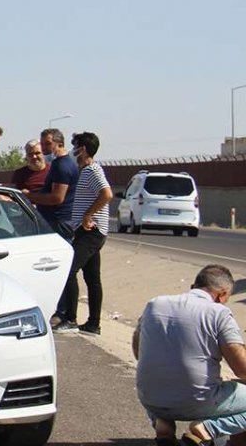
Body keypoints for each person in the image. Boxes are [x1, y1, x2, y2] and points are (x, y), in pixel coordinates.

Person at [134, 265, 246, 446]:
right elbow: (242, 370)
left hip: (150, 399)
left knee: (160, 377)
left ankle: (163, 426)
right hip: (195, 400)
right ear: (221, 294)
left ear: (194, 286)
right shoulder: (218, 312)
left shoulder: (154, 304)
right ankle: (203, 430)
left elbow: (138, 352)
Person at [53, 131, 113, 335]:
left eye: (75, 145)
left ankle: (70, 318)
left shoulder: (92, 170)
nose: (72, 149)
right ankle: (93, 324)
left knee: (68, 270)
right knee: (92, 277)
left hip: (92, 231)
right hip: (86, 231)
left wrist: (88, 215)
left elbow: (107, 194)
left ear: (83, 149)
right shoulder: (87, 170)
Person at [25, 128, 79, 240]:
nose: (44, 148)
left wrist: (29, 196)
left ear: (59, 144)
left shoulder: (62, 166)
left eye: (48, 144)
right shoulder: (58, 163)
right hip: (55, 221)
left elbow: (57, 197)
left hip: (58, 222)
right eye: (42, 144)